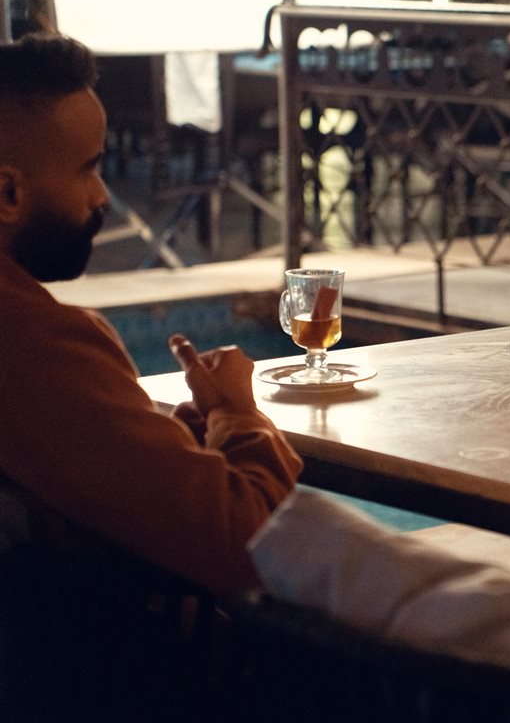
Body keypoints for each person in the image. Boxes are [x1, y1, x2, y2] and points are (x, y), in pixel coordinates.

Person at [0, 33, 303, 597]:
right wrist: (237, 416)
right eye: (88, 169)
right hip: (101, 649)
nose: (102, 197)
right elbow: (257, 543)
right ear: (8, 194)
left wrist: (174, 435)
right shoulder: (35, 347)